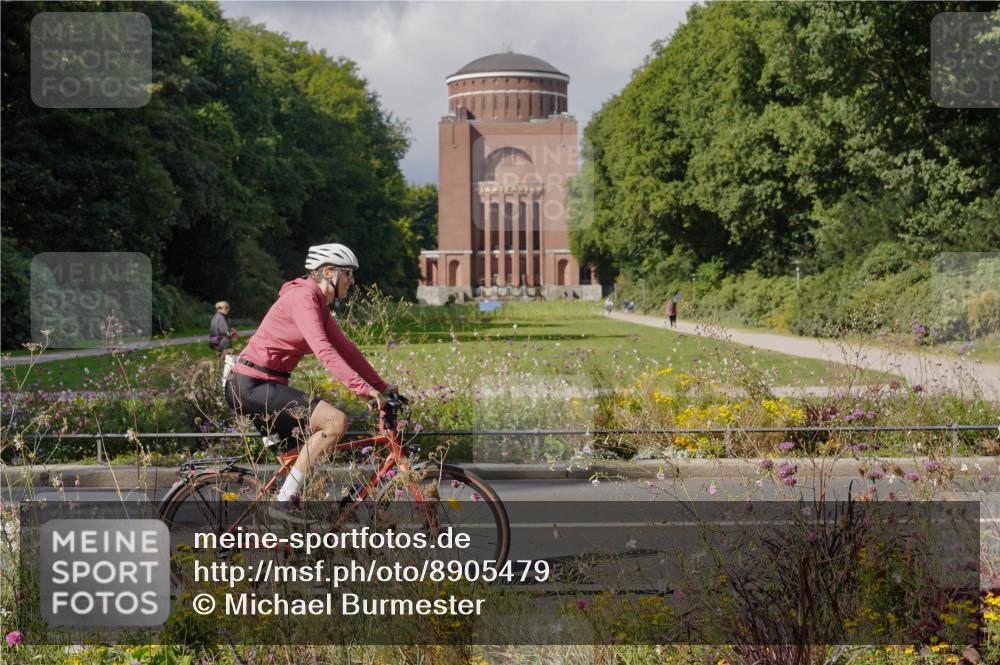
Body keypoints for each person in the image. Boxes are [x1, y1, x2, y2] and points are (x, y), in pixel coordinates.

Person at [224, 243, 397, 518]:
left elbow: (346, 349)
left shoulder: (317, 304)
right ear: (328, 272)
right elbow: (324, 351)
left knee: (302, 469)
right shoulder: (304, 298)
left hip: (262, 386)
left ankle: (293, 541)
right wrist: (364, 390)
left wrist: (382, 386)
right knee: (335, 422)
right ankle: (282, 504)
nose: (352, 281)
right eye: (348, 273)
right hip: (251, 386)